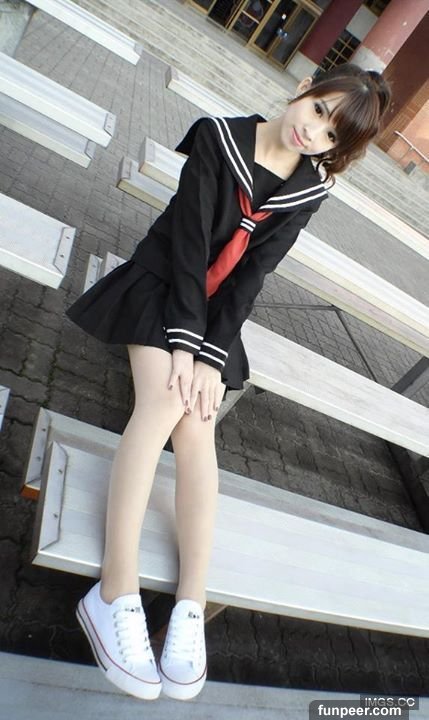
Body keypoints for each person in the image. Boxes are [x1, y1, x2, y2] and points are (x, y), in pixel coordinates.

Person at [66, 62, 391, 702]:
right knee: (165, 400)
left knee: (199, 424)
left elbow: (252, 275)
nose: (314, 133)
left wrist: (212, 356)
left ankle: (191, 602)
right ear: (305, 89)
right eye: (319, 110)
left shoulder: (307, 191)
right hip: (161, 285)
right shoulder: (218, 139)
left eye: (332, 135)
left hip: (215, 315)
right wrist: (186, 348)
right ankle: (112, 590)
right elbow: (187, 250)